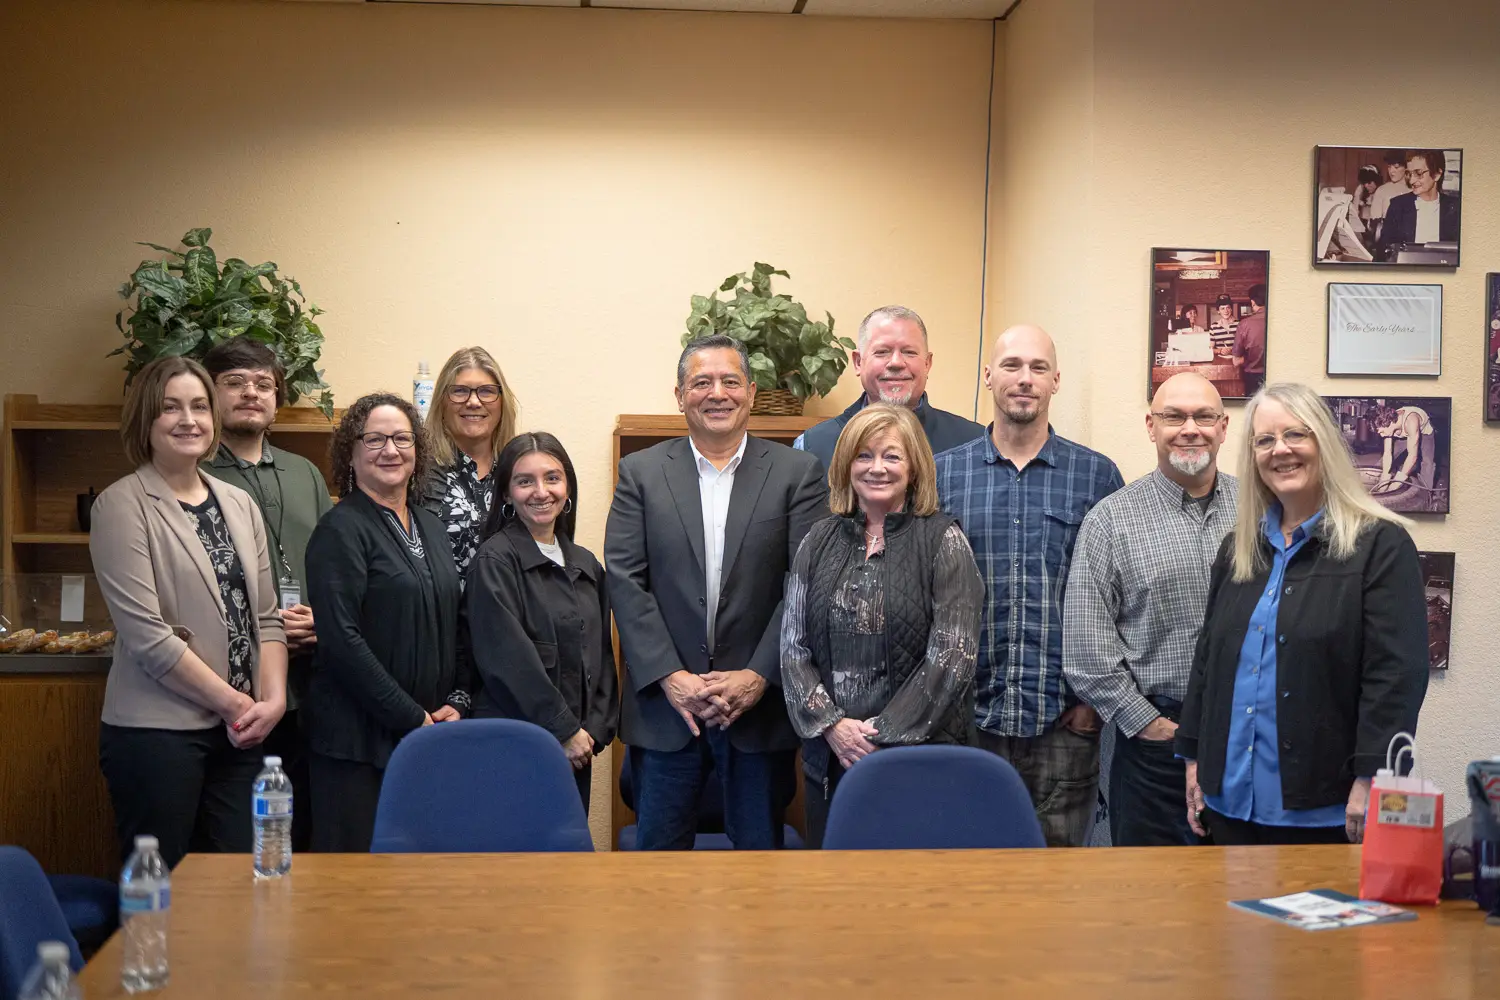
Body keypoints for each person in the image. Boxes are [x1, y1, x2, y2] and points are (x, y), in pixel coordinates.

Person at [1177, 383, 1429, 846]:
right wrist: (1195, 759)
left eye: (1296, 434)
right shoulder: (1238, 549)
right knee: (1227, 921)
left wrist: (1372, 777)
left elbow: (1396, 676)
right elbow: (1207, 662)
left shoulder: (1381, 547)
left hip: (1327, 810)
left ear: (1324, 444)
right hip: (1228, 803)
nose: (1280, 450)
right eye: (1265, 440)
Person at [605, 334, 827, 850]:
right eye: (701, 382)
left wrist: (757, 675)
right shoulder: (641, 473)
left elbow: (805, 583)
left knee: (758, 871)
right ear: (680, 395)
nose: (717, 393)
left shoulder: (797, 473)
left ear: (750, 392)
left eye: (730, 381)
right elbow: (625, 578)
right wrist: (669, 675)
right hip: (667, 711)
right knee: (658, 873)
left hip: (758, 710)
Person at [90, 357, 287, 867]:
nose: (189, 420)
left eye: (200, 406)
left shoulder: (239, 503)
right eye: (170, 408)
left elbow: (266, 618)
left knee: (240, 887)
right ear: (145, 421)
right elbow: (149, 638)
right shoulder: (121, 505)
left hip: (240, 735)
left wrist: (274, 700)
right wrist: (236, 705)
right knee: (163, 891)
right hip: (157, 736)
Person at [934, 324, 1123, 847]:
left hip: (1062, 720)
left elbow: (1116, 599)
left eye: (1038, 368)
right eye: (1012, 366)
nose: (1024, 379)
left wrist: (1094, 703)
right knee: (969, 870)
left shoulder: (1097, 476)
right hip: (968, 718)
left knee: (1058, 880)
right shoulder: (943, 475)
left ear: (1055, 381)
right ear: (988, 375)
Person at [781, 404, 982, 848]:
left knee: (914, 900)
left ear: (914, 468)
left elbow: (953, 657)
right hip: (832, 759)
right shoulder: (817, 541)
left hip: (919, 762)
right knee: (839, 898)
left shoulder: (943, 540)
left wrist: (880, 734)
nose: (877, 468)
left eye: (892, 457)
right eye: (864, 456)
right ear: (846, 464)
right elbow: (793, 648)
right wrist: (833, 727)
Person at [1063, 374, 1238, 846]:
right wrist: (1150, 726)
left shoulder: (1260, 513)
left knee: (1250, 897)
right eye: (1173, 416)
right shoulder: (1110, 521)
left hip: (1248, 741)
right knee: (1156, 904)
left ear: (1223, 427)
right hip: (1157, 750)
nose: (1189, 428)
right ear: (1150, 425)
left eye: (1203, 416)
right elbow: (1086, 650)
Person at [304, 393, 470, 852]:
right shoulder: (339, 530)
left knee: (419, 886)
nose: (390, 450)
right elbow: (342, 641)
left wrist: (457, 698)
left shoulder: (431, 527)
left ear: (417, 451)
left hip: (426, 738)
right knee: (356, 893)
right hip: (357, 747)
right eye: (374, 439)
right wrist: (410, 715)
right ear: (351, 453)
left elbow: (454, 620)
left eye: (401, 438)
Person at [201, 335, 332, 853]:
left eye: (263, 384)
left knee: (302, 834)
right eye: (234, 382)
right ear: (210, 395)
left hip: (309, 686)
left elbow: (333, 563)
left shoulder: (305, 473)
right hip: (229, 689)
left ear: (277, 399)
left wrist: (322, 617)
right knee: (234, 843)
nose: (250, 392)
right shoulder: (196, 474)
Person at [465, 432, 619, 814]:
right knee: (515, 865)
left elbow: (601, 656)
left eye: (552, 478)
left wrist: (593, 733)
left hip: (576, 751)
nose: (541, 491)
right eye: (524, 481)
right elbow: (507, 660)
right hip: (515, 744)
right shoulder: (495, 561)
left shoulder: (586, 565)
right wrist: (564, 729)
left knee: (564, 861)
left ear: (568, 488)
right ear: (506, 494)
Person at [793, 305, 982, 473]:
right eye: (882, 352)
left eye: (909, 352)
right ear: (858, 362)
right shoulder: (812, 448)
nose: (896, 363)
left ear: (927, 363)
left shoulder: (975, 443)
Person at [420, 347, 520, 581]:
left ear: (502, 403)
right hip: (441, 614)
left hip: (509, 613)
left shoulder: (519, 470)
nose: (474, 402)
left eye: (486, 392)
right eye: (460, 391)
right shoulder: (416, 472)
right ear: (442, 402)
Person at [1377, 149, 1460, 260]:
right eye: (1409, 174)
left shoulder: (1455, 208)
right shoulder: (1398, 206)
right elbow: (1382, 254)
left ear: (1436, 175)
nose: (1411, 180)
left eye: (1418, 173)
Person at [1371, 403, 1436, 498]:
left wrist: (1396, 483)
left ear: (1390, 423)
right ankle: (1373, 479)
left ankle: (1426, 496)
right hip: (1403, 433)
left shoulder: (1411, 421)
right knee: (1392, 455)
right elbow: (1387, 453)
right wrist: (1384, 478)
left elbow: (1412, 457)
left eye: (1382, 431)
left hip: (1425, 433)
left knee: (1427, 463)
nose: (1381, 435)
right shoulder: (1387, 423)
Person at [1230, 283, 1267, 397]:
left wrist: (1247, 358)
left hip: (1253, 379)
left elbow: (1236, 361)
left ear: (1252, 302)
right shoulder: (1280, 320)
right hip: (1278, 377)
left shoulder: (1244, 324)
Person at [1368, 150, 1410, 239]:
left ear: (1406, 168)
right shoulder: (1382, 190)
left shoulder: (1413, 190)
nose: (1391, 171)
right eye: (1389, 167)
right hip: (1387, 240)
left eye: (1396, 167)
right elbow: (1375, 225)